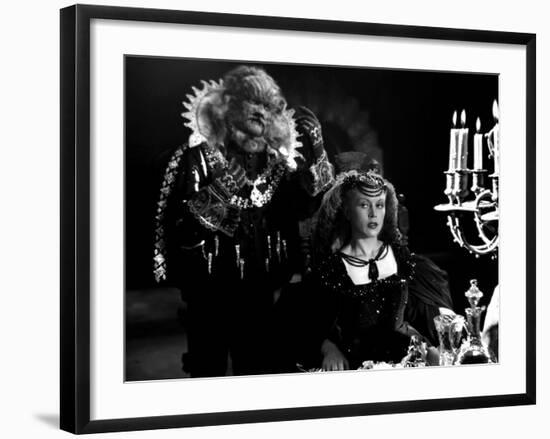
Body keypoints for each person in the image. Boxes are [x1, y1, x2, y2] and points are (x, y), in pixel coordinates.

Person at [152, 65, 335, 377]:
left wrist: (317, 147)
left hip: (262, 296)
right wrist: (220, 192)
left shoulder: (280, 165)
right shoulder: (195, 159)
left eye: (267, 106)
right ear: (229, 106)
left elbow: (308, 207)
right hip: (208, 297)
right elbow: (179, 230)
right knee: (207, 374)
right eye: (253, 102)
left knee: (257, 373)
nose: (261, 112)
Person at [301, 170, 453, 371]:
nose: (373, 213)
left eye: (379, 205)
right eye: (364, 205)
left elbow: (423, 307)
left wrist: (438, 326)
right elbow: (310, 323)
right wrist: (328, 348)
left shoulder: (401, 257)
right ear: (346, 211)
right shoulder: (331, 269)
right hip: (359, 364)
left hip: (408, 358)